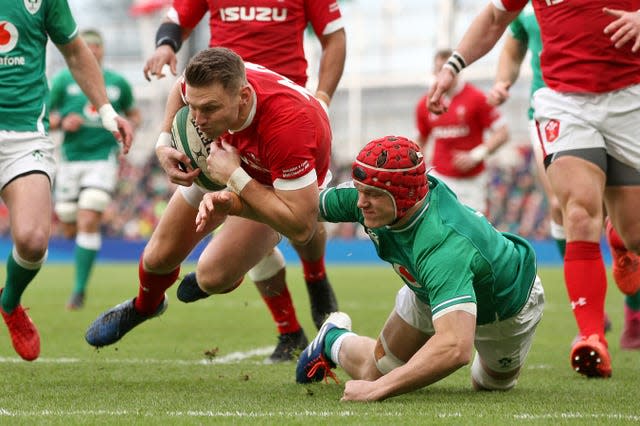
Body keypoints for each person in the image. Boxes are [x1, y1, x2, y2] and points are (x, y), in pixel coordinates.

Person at [428, 1, 640, 378]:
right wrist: (453, 66)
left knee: (634, 231)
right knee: (576, 209)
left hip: (631, 96)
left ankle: (622, 240)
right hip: (563, 101)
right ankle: (591, 336)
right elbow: (496, 18)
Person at [85, 47, 331, 363]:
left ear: (243, 98)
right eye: (194, 107)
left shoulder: (289, 128)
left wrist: (235, 181)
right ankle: (144, 307)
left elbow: (301, 225)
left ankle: (237, 269)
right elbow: (180, 88)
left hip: (273, 184)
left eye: (209, 110)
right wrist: (163, 143)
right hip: (225, 161)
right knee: (157, 259)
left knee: (213, 277)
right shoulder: (208, 94)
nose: (197, 120)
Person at [142, 0, 346, 347]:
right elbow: (177, 20)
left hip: (279, 117)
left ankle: (315, 275)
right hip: (217, 105)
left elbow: (334, 38)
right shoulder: (199, 99)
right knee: (188, 257)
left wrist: (322, 96)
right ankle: (289, 332)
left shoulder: (289, 121)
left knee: (298, 224)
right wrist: (166, 46)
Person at [293, 136, 544, 402]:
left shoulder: (444, 243)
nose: (360, 202)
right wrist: (243, 184)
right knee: (372, 372)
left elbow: (455, 348)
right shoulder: (376, 196)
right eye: (359, 189)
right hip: (428, 287)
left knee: (489, 386)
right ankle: (332, 339)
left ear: (403, 197)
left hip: (504, 307)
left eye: (373, 194)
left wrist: (377, 391)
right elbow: (296, 209)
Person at [0, 0, 133, 361]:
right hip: (71, 159)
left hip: (24, 136)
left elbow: (74, 52)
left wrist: (106, 111)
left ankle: (9, 303)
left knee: (32, 239)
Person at [487, 4, 622, 347]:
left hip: (613, 102)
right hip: (551, 112)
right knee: (565, 207)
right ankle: (589, 314)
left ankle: (630, 293)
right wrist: (503, 81)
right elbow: (511, 46)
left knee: (623, 220)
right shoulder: (526, 10)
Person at [49, 29, 142, 310]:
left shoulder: (118, 84)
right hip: (70, 160)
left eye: (96, 47)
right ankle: (81, 246)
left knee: (89, 218)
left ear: (102, 51)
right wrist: (63, 121)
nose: (92, 51)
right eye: (86, 46)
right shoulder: (63, 80)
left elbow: (134, 114)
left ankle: (78, 291)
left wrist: (128, 128)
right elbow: (46, 117)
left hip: (102, 159)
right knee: (68, 224)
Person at [415, 49, 509, 215]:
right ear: (434, 72)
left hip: (472, 181)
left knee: (474, 230)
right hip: (439, 177)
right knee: (439, 227)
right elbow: (420, 141)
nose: (443, 75)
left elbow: (502, 133)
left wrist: (475, 155)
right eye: (438, 71)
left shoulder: (477, 98)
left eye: (446, 70)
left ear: (456, 71)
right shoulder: (425, 104)